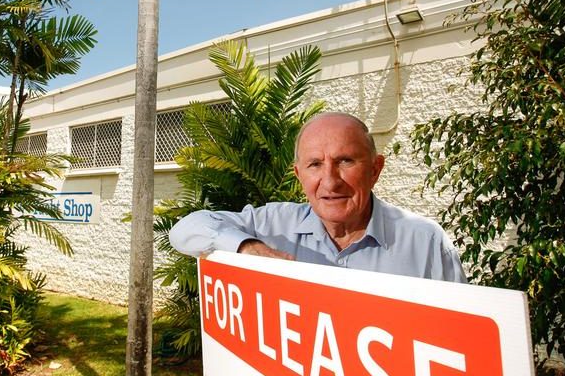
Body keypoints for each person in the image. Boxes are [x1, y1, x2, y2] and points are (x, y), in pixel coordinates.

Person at [168, 112, 466, 283]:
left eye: (346, 161)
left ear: (375, 169)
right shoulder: (273, 225)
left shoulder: (425, 243)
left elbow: (460, 335)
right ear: (299, 175)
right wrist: (247, 247)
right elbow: (185, 230)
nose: (330, 181)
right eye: (315, 165)